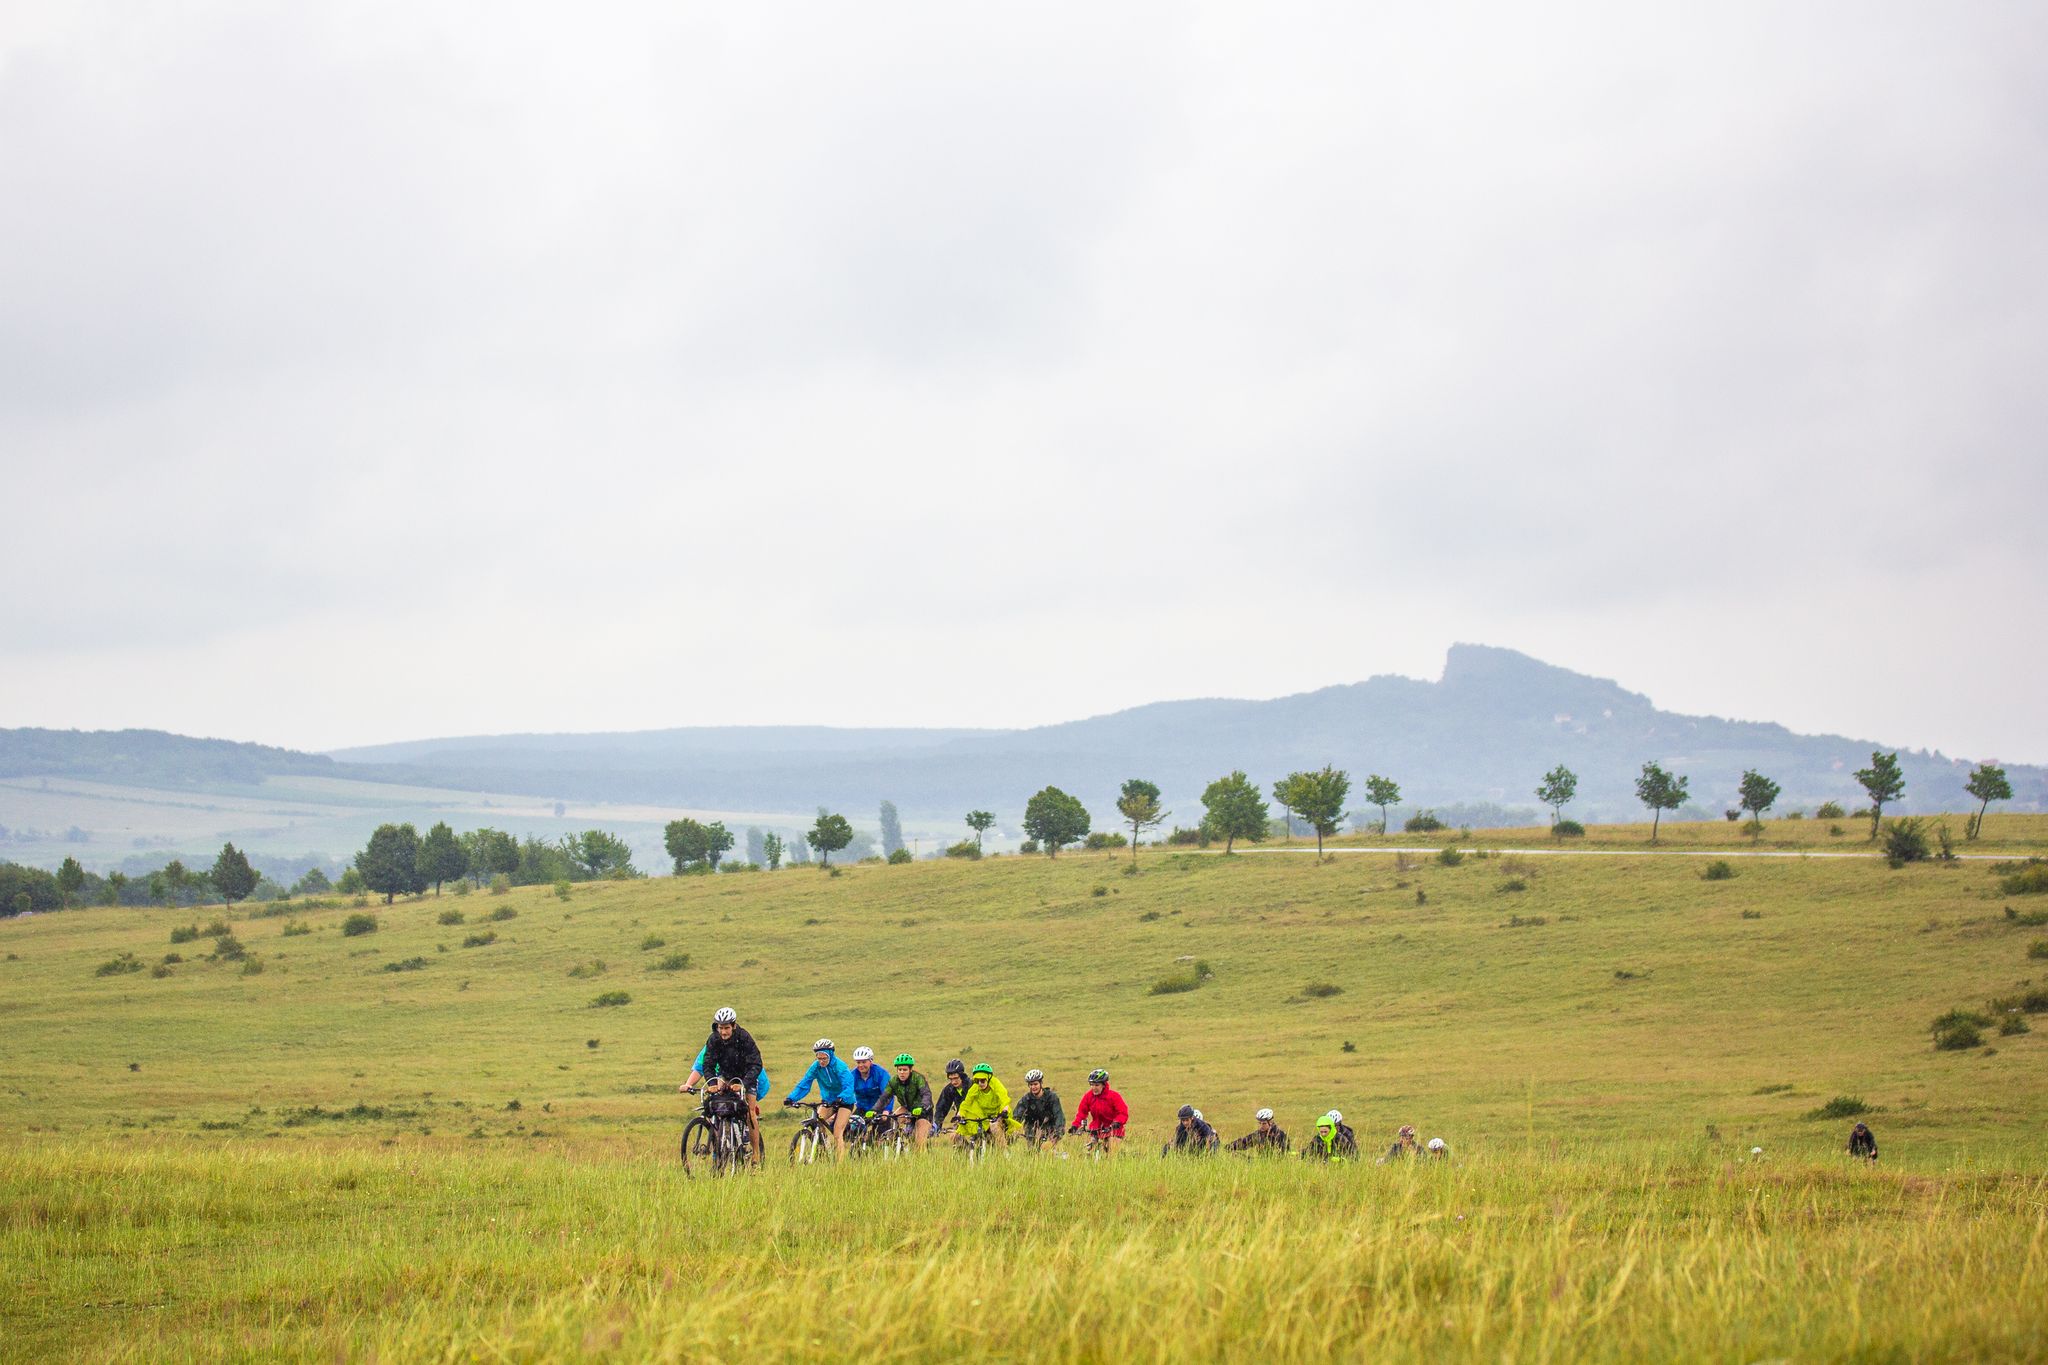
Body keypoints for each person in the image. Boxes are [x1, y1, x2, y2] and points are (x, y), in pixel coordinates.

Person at [683, 1005, 764, 1163]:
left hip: (746, 1076)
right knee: (716, 1100)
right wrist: (712, 1082)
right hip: (726, 1075)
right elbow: (707, 1064)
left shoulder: (744, 1037)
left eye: (726, 1028)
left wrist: (744, 1084)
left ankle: (756, 1154)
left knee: (750, 1113)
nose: (724, 1032)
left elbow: (756, 1064)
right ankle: (721, 1141)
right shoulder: (713, 1039)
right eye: (720, 1028)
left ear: (733, 1026)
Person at [784, 1038, 859, 1160]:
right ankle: (824, 1149)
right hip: (828, 1101)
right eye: (819, 1058)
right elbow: (805, 1083)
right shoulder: (815, 1067)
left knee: (837, 1132)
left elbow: (849, 1085)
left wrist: (842, 1097)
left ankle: (839, 1165)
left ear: (830, 1055)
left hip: (845, 1102)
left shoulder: (840, 1066)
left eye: (824, 1058)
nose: (821, 1061)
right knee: (817, 1121)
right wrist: (791, 1098)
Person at [954, 1062, 1016, 1150]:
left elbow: (1004, 1098)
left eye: (982, 1080)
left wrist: (1004, 1110)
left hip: (998, 1114)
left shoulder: (996, 1084)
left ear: (988, 1078)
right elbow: (966, 1103)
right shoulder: (975, 1088)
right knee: (970, 1129)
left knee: (994, 1127)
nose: (980, 1083)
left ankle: (1004, 1152)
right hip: (983, 1116)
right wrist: (960, 1115)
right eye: (976, 1080)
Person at [879, 1053, 934, 1152]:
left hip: (923, 1111)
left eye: (905, 1070)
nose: (902, 1073)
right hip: (907, 1108)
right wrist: (874, 1110)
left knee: (919, 1141)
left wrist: (922, 1107)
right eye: (900, 1070)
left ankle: (921, 1157)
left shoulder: (918, 1078)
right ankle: (899, 1147)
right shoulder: (894, 1081)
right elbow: (884, 1098)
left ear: (910, 1070)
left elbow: (926, 1095)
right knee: (894, 1119)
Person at [1068, 1068, 1129, 1155]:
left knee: (1112, 1151)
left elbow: (1123, 1113)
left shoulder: (1114, 1096)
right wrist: (1075, 1126)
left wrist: (1116, 1123)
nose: (1093, 1088)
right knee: (1087, 1152)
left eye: (1096, 1085)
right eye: (1091, 1085)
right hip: (1096, 1130)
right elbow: (1082, 1113)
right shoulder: (1088, 1096)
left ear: (1103, 1085)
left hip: (1114, 1130)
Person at [1013, 1069, 1065, 1149]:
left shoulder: (1052, 1098)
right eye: (1030, 1085)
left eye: (1035, 1084)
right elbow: (1016, 1117)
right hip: (1031, 1133)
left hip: (1050, 1132)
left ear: (1041, 1083)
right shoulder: (1026, 1099)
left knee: (1049, 1154)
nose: (1033, 1087)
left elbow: (1059, 1117)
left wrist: (1056, 1136)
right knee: (1032, 1154)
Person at [847, 1046, 890, 1129]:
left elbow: (887, 1094)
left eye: (864, 1062)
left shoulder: (882, 1074)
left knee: (878, 1136)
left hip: (880, 1109)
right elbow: (847, 1093)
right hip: (862, 1109)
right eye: (858, 1062)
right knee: (851, 1130)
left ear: (871, 1061)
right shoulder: (852, 1075)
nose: (861, 1065)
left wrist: (886, 1110)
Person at [932, 1059, 970, 1133]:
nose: (953, 1082)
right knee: (954, 1137)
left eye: (956, 1078)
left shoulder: (971, 1086)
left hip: (976, 1117)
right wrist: (937, 1125)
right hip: (960, 1119)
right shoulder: (949, 1089)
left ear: (962, 1076)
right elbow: (941, 1108)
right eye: (951, 1079)